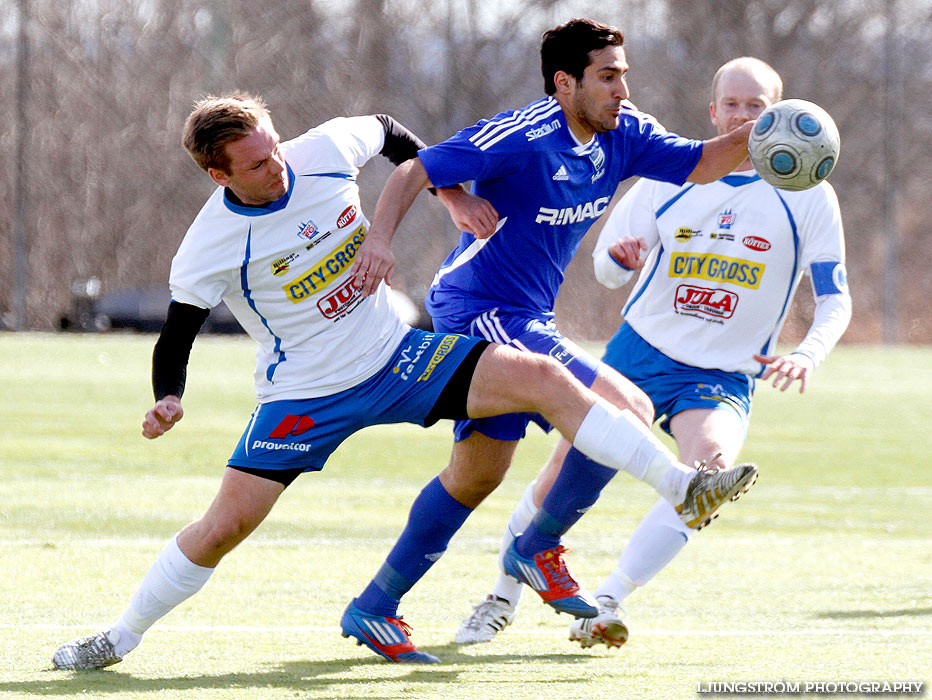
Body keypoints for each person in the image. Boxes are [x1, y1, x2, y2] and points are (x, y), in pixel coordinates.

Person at [50, 93, 753, 671]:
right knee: (224, 525)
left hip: (397, 358)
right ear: (220, 175)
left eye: (276, 146)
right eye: (260, 164)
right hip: (306, 396)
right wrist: (167, 396)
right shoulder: (209, 244)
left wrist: (448, 195)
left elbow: (391, 134)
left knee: (542, 377)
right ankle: (120, 636)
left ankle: (681, 487)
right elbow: (177, 334)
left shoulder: (321, 150)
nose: (279, 167)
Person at [350, 17, 759, 640]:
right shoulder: (524, 136)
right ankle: (539, 546)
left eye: (624, 75)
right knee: (626, 403)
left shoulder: (625, 135)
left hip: (526, 315)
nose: (623, 90)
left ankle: (374, 605)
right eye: (608, 77)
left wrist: (771, 130)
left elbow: (703, 162)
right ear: (565, 84)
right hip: (478, 308)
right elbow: (413, 170)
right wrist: (390, 236)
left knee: (477, 475)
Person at [455, 56, 852, 648]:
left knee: (709, 478)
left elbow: (835, 299)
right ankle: (500, 595)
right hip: (639, 353)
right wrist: (620, 261)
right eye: (733, 105)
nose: (745, 116)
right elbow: (605, 270)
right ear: (714, 112)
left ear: (780, 113)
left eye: (758, 106)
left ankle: (606, 601)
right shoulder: (668, 176)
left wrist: (809, 353)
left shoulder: (809, 196)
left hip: (722, 376)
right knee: (566, 469)